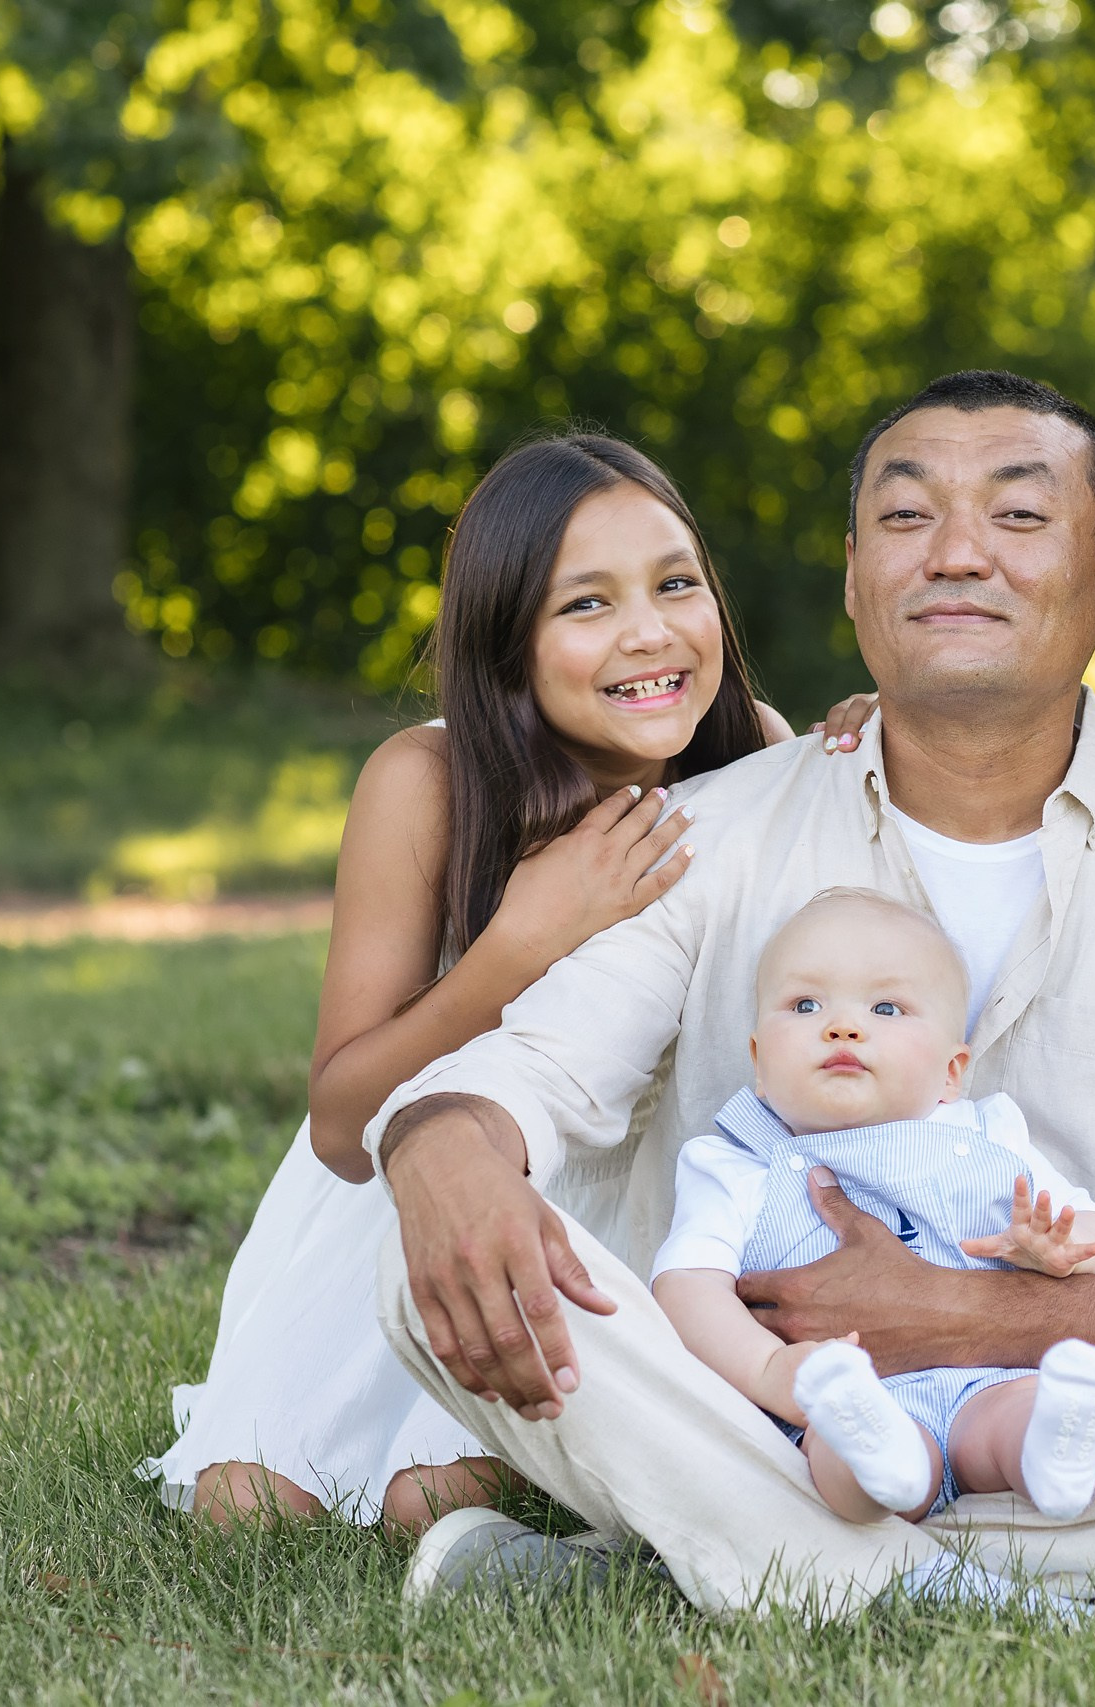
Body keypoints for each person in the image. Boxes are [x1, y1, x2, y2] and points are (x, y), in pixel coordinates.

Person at [364, 369, 1095, 1623]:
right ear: (856, 577)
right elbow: (537, 1069)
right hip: (755, 1401)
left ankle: (739, 1562)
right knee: (429, 1250)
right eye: (908, 517)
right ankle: (1035, 1602)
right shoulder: (696, 840)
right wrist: (442, 1142)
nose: (958, 554)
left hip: (1050, 1426)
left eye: (1020, 518)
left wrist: (955, 1317)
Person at [142, 430, 843, 1532]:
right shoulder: (425, 781)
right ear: (506, 642)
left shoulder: (747, 749)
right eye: (586, 606)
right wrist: (521, 939)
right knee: (249, 1504)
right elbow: (338, 1122)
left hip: (632, 1192)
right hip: (418, 1185)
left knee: (433, 1501)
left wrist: (846, 754)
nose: (649, 632)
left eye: (676, 584)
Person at [652, 888, 1095, 1527]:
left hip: (987, 1372)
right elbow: (686, 1288)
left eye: (885, 1007)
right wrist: (768, 1371)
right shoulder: (736, 1162)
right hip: (845, 1391)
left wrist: (1058, 1250)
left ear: (951, 1073)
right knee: (838, 1448)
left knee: (1018, 1412)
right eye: (805, 1004)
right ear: (760, 1063)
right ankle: (883, 1468)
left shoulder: (990, 1134)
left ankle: (1057, 1453)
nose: (843, 1026)